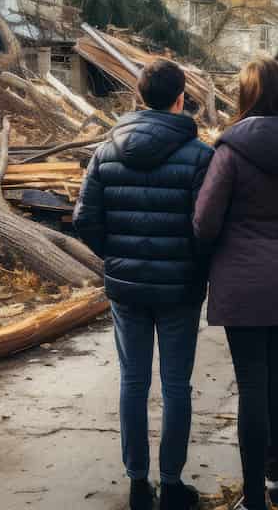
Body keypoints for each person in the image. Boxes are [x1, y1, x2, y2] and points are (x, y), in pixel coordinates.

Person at [74, 59, 214, 510]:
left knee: (132, 382)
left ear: (138, 98)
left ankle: (137, 483)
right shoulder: (200, 155)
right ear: (180, 100)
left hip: (127, 288)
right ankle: (171, 484)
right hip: (179, 289)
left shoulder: (105, 151)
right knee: (176, 386)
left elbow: (84, 220)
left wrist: (115, 258)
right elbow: (207, 226)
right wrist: (194, 264)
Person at [192, 58, 278, 510]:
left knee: (251, 384)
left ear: (246, 96)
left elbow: (206, 223)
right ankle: (275, 483)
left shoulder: (230, 151)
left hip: (243, 281)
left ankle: (251, 499)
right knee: (276, 377)